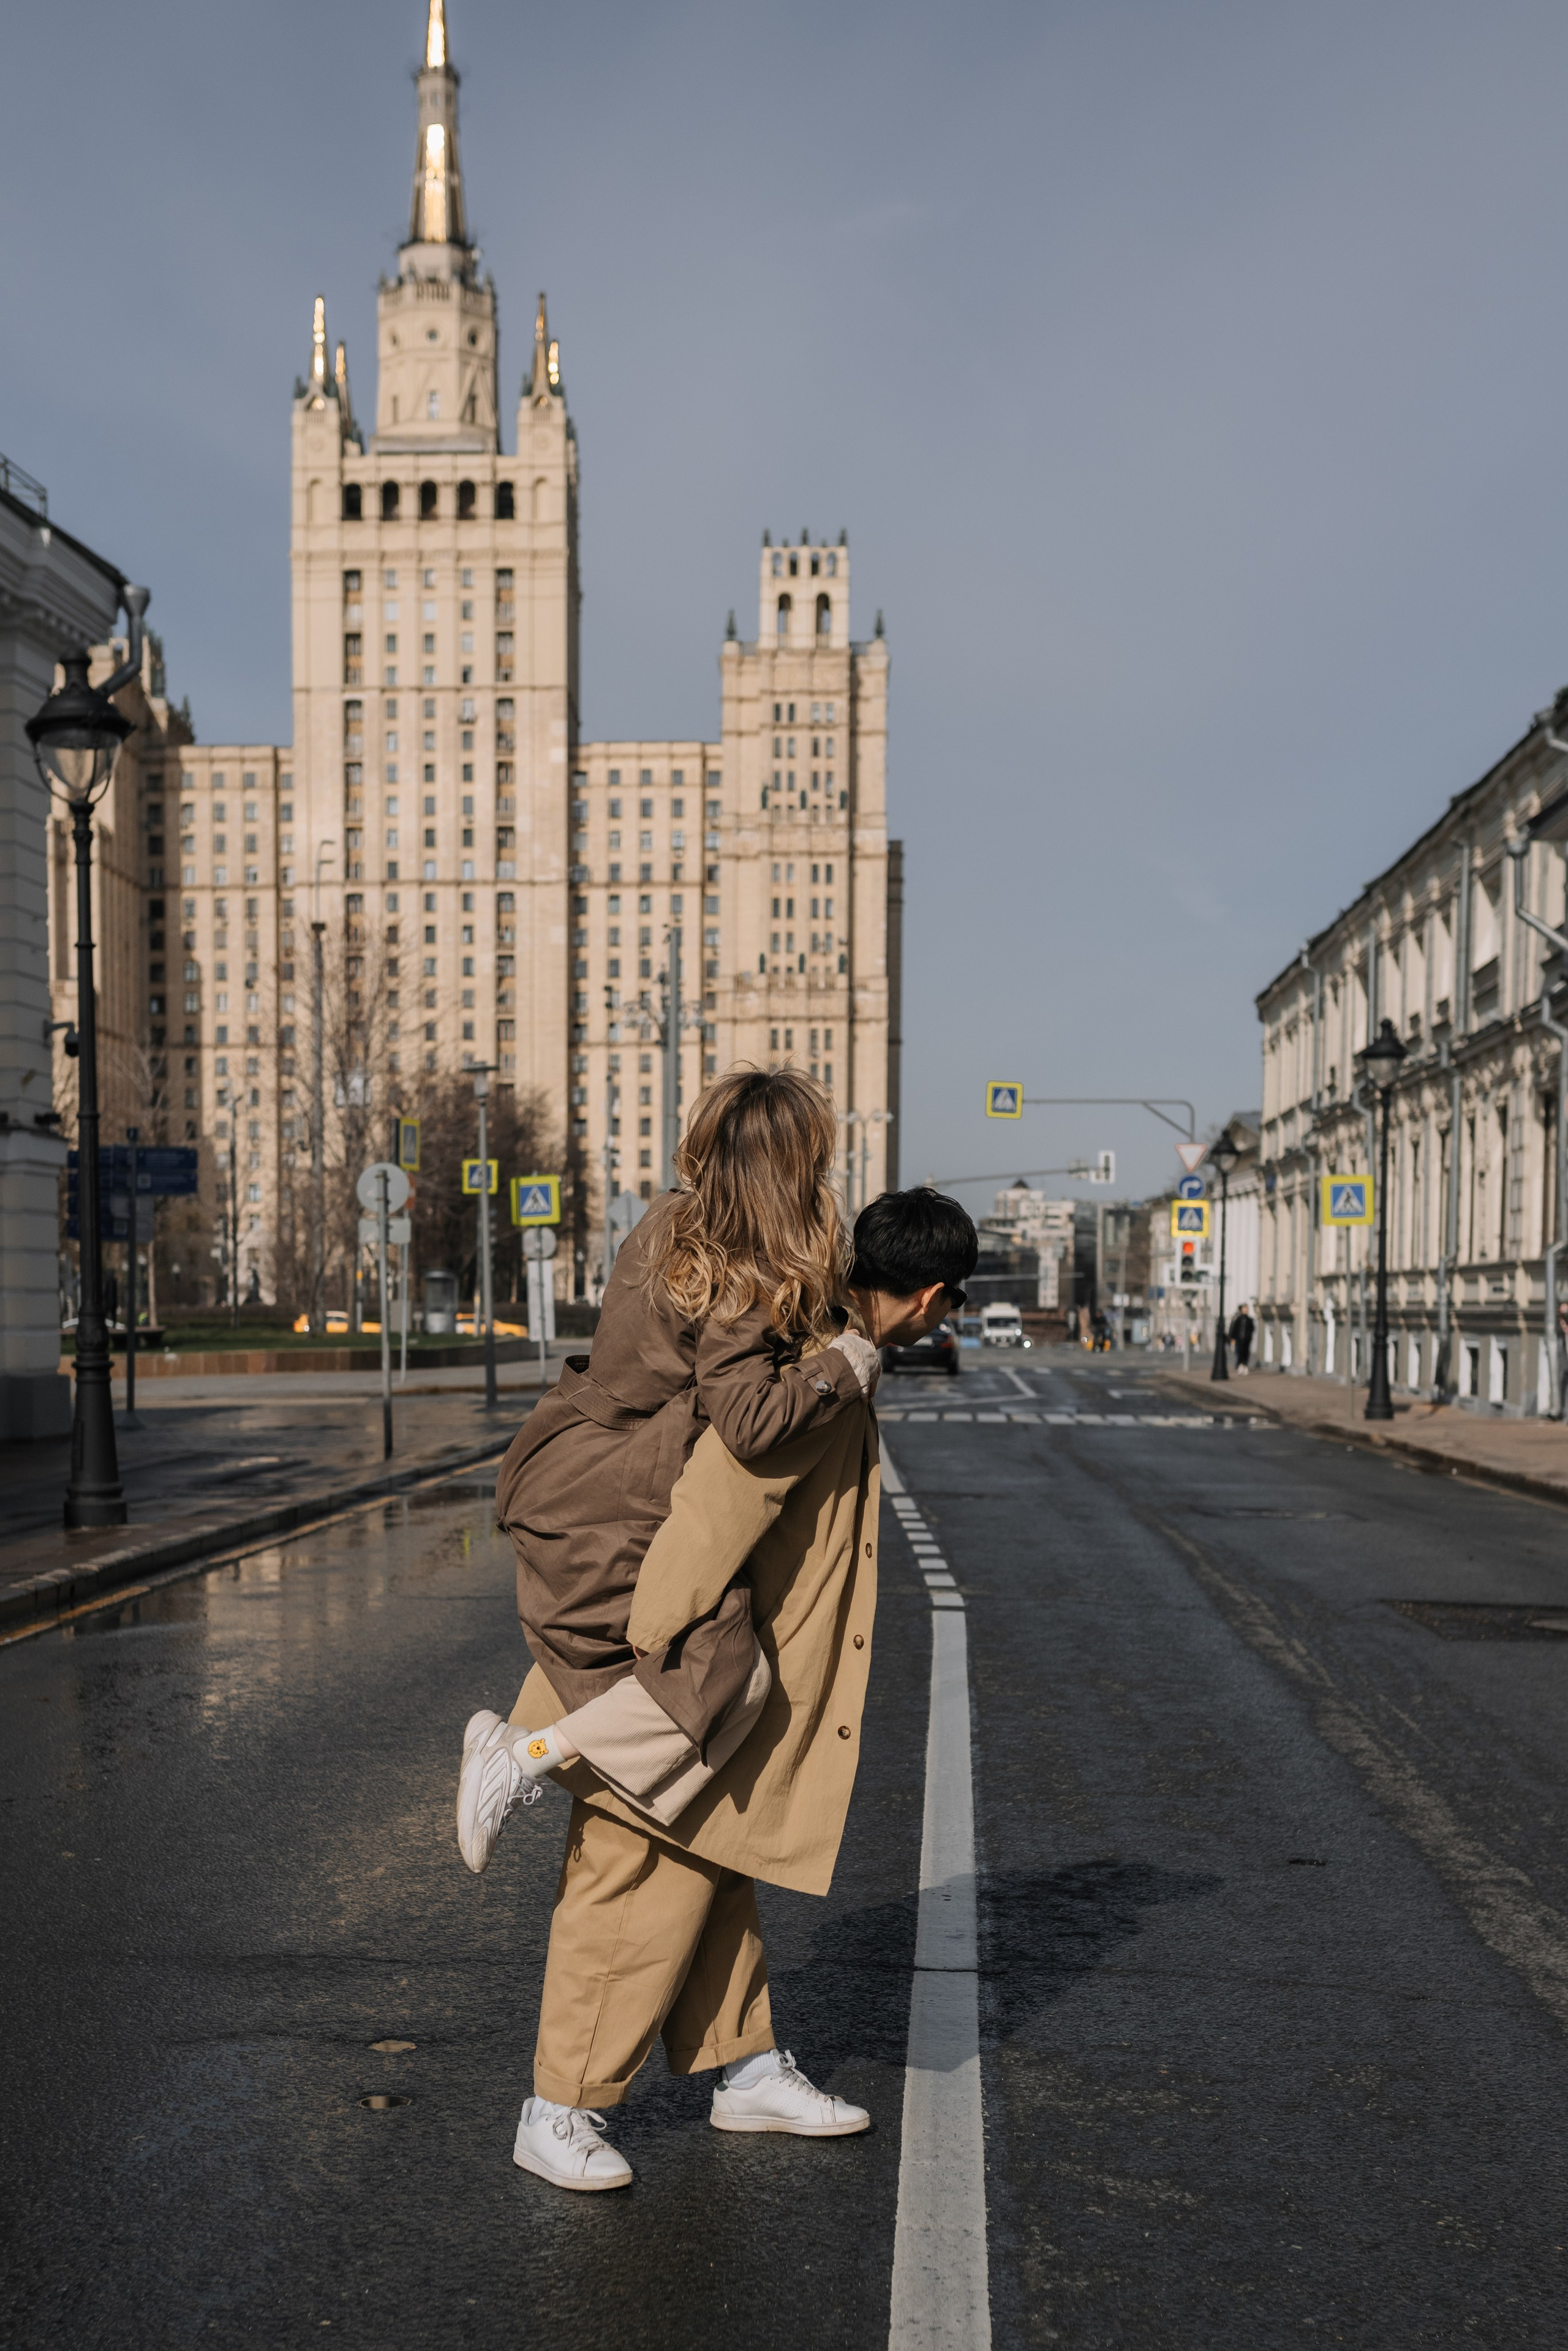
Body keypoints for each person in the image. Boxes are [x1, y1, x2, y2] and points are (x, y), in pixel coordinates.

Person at [457, 1094, 977, 2191]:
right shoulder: (781, 1323)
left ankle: (743, 2064)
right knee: (637, 1854)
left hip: (584, 1500)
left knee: (711, 1845)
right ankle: (558, 2103)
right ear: (928, 1296)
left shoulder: (693, 1237)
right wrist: (668, 1646)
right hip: (644, 1568)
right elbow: (722, 1500)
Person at [1229, 1303, 1256, 1375]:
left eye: (1246, 1309)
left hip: (1247, 1340)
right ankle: (1240, 1365)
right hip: (1239, 1339)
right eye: (1244, 1309)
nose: (1246, 1310)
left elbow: (1252, 1329)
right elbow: (1234, 1329)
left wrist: (1249, 1336)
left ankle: (1245, 1365)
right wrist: (1233, 1339)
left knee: (1246, 1353)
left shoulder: (1249, 1320)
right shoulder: (1238, 1319)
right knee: (1239, 1352)